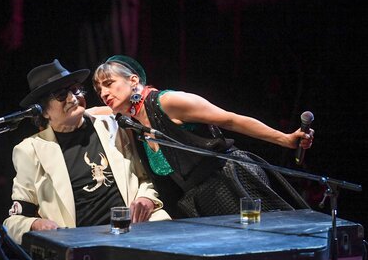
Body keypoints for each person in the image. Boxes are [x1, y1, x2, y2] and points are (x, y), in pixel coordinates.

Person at [92, 55, 315, 218]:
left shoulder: (168, 102)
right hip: (203, 201)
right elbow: (90, 114)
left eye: (109, 84)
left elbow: (230, 119)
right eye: (99, 89)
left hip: (232, 183)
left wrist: (284, 139)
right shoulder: (133, 121)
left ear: (133, 80)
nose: (104, 93)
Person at [3, 58, 170, 244]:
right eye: (61, 94)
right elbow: (15, 221)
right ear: (43, 111)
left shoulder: (114, 124)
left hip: (136, 229)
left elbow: (144, 178)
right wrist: (35, 224)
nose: (73, 98)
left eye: (75, 90)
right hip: (81, 245)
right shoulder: (30, 150)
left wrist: (147, 198)